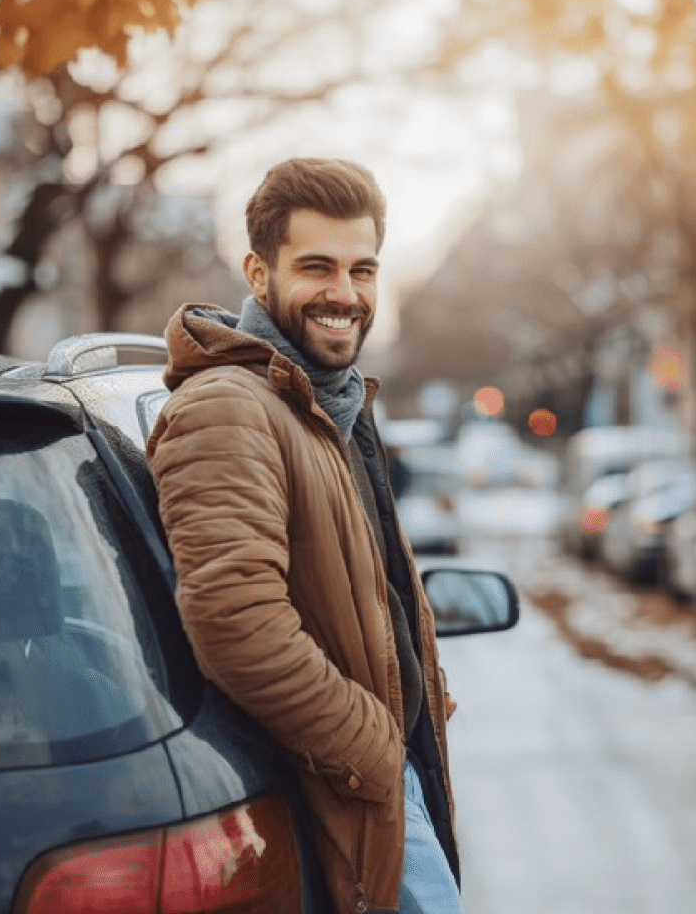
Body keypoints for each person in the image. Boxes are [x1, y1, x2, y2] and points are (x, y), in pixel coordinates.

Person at [146, 158, 462, 914]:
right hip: (340, 790)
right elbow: (235, 619)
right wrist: (374, 752)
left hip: (379, 788)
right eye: (317, 267)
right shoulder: (229, 408)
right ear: (259, 274)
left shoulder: (326, 403)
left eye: (362, 270)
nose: (344, 295)